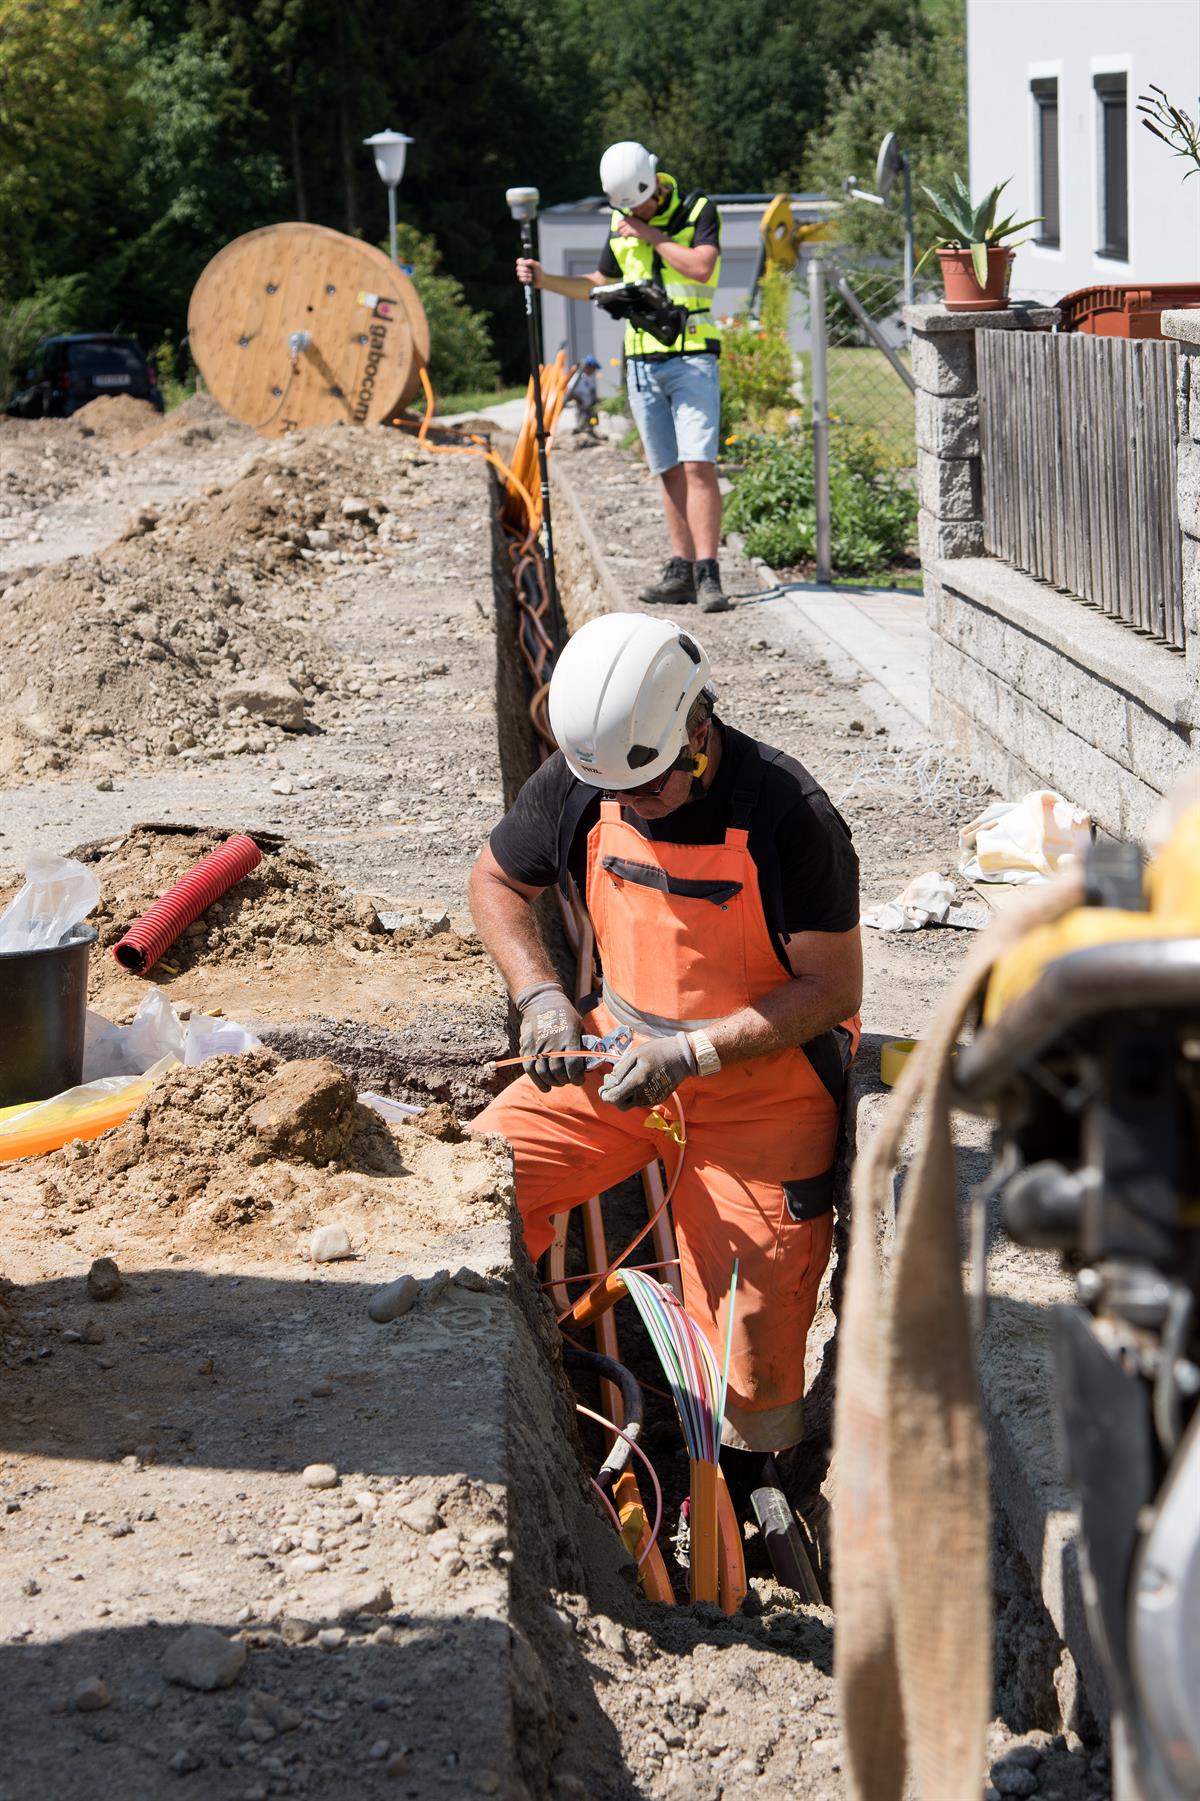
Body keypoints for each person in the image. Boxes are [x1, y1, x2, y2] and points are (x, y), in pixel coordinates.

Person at [469, 613, 862, 1498]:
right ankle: (515, 1365)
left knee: (755, 1332)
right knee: (480, 1182)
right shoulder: (588, 779)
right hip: (613, 1056)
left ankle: (749, 1490)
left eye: (649, 788)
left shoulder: (791, 815)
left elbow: (832, 989)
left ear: (697, 730)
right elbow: (495, 880)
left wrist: (694, 1055)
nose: (631, 806)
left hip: (765, 1089)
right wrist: (541, 995)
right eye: (618, 793)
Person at [516, 140, 730, 614]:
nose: (638, 212)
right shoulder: (619, 221)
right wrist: (545, 279)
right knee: (667, 469)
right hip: (640, 363)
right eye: (629, 208)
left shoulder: (696, 209)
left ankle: (708, 573)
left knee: (699, 464)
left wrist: (651, 235)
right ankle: (680, 568)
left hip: (692, 355)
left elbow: (701, 266)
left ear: (655, 182)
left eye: (644, 202)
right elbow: (598, 282)